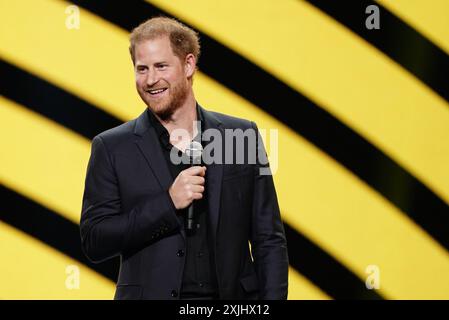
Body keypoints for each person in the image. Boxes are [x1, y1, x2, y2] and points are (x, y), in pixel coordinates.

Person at [80, 16, 288, 300]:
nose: (151, 80)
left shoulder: (241, 136)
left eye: (161, 66)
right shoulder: (112, 146)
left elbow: (269, 240)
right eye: (142, 69)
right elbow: (95, 240)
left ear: (188, 64)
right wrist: (168, 203)